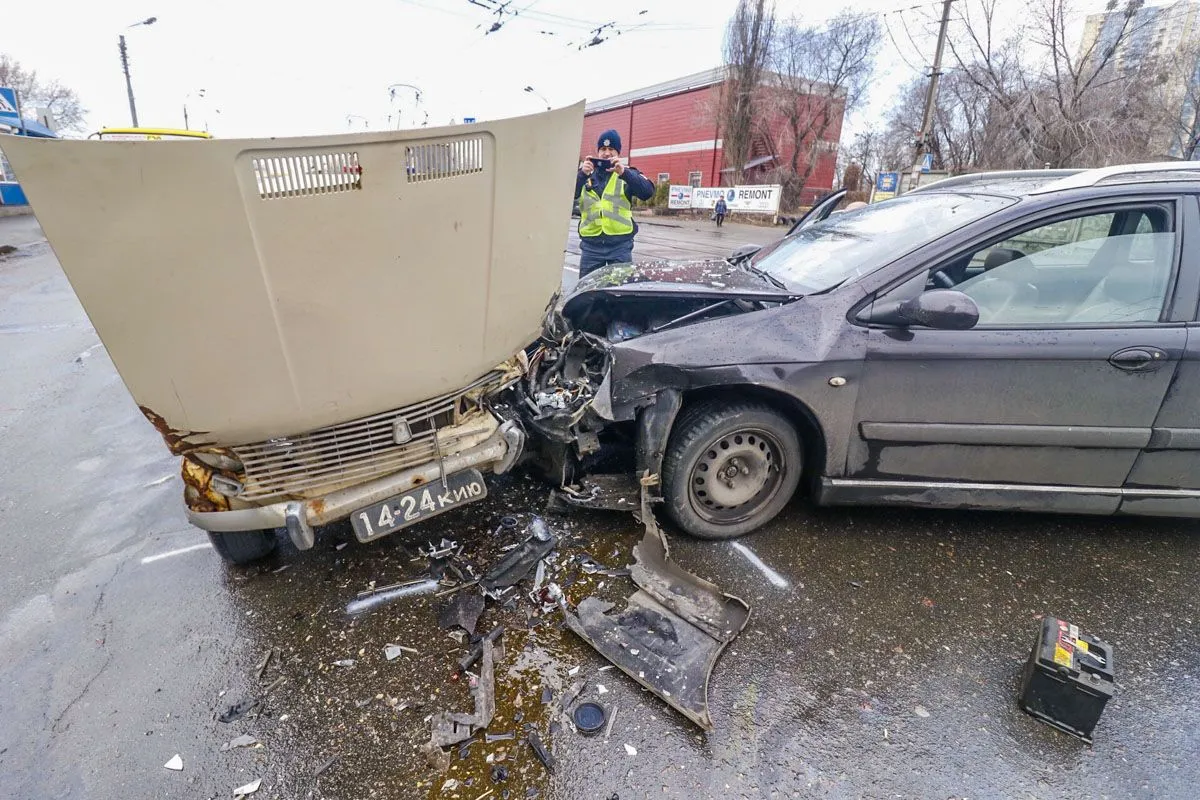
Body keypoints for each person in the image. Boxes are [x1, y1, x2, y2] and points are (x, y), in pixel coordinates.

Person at [575, 129, 655, 277]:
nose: (606, 153)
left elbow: (647, 192)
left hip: (620, 246)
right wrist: (581, 175)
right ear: (597, 152)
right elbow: (566, 196)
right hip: (591, 247)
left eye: (611, 149)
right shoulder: (585, 174)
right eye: (603, 149)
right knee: (588, 294)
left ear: (618, 153)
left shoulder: (626, 173)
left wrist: (624, 173)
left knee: (620, 294)